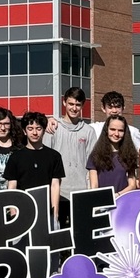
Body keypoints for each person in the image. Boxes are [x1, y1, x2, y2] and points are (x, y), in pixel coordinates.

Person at [43, 88, 97, 224]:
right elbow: (45, 161)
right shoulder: (52, 128)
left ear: (82, 105)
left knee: (80, 232)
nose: (74, 108)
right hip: (58, 193)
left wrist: (92, 190)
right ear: (64, 103)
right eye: (71, 104)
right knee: (58, 232)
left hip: (81, 192)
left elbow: (93, 165)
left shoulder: (89, 131)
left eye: (78, 105)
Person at [5, 112, 64, 224]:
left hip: (46, 212)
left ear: (44, 130)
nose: (35, 132)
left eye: (38, 128)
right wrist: (13, 211)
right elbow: (12, 186)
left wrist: (55, 213)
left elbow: (55, 185)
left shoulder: (54, 156)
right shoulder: (15, 157)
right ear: (24, 131)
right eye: (30, 128)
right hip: (22, 212)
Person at [87, 115, 139, 197]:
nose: (116, 134)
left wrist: (118, 195)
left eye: (120, 130)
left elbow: (132, 185)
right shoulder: (95, 155)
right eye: (113, 129)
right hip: (103, 200)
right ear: (106, 130)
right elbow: (94, 186)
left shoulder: (129, 154)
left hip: (123, 199)